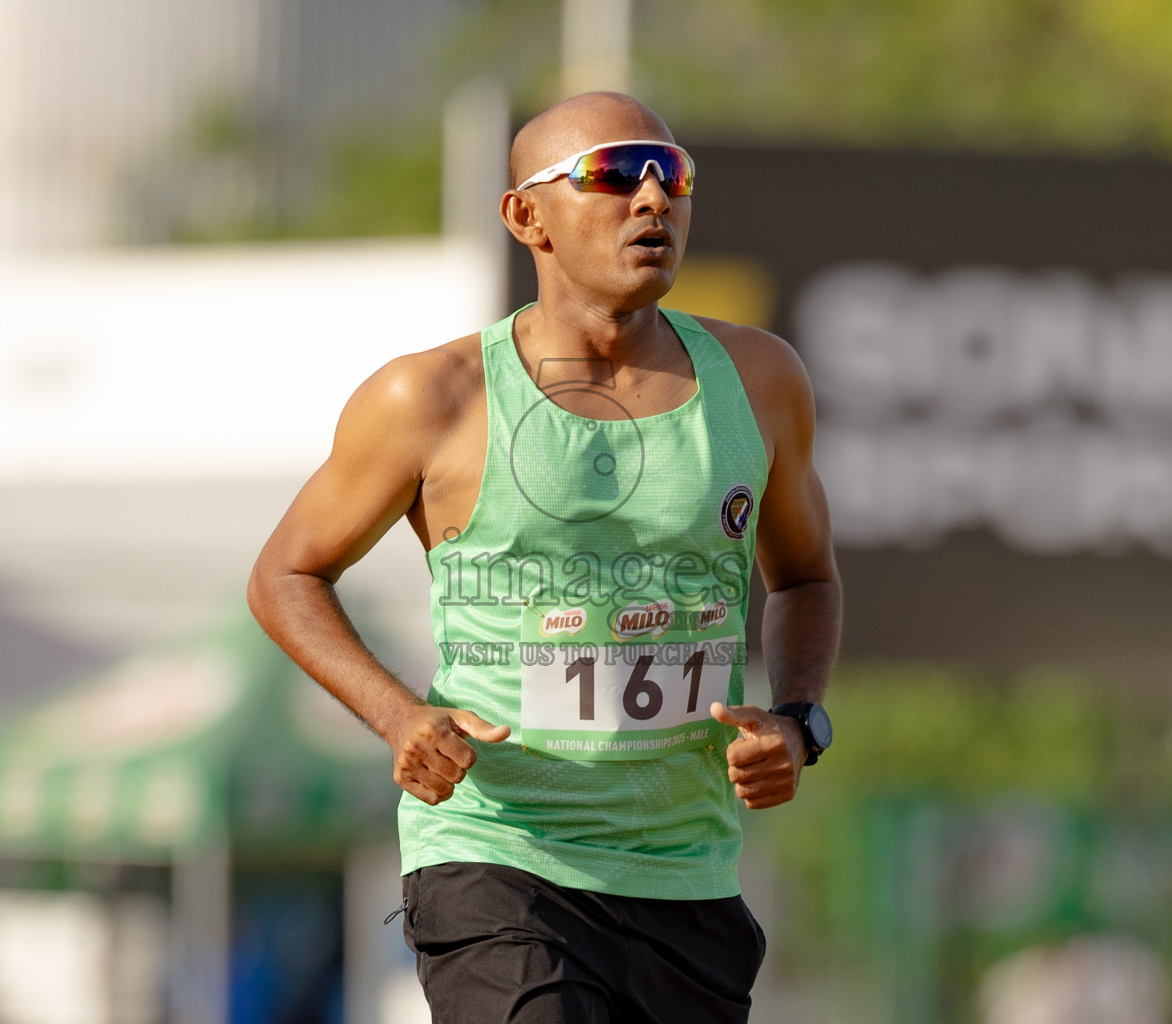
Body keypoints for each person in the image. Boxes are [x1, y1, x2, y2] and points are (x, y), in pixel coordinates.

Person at [248, 91, 841, 1023]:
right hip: (499, 857)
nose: (652, 200)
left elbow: (806, 578)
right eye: (611, 175)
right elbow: (285, 574)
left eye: (672, 175)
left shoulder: (762, 381)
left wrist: (800, 722)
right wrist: (401, 718)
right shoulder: (430, 398)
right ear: (527, 216)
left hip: (686, 871)